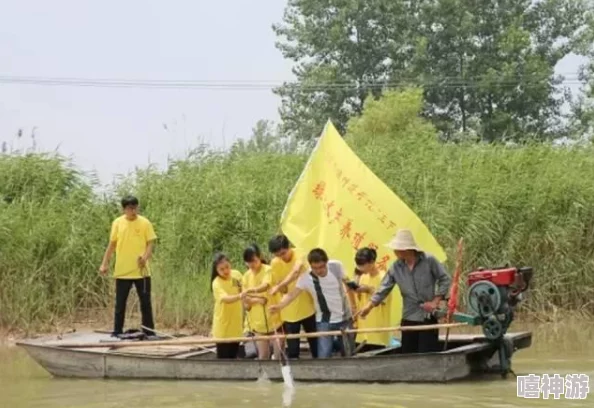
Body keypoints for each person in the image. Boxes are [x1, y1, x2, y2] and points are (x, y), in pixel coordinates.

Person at [357, 229, 451, 354]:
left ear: (405, 249)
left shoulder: (429, 260)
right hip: (409, 316)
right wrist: (368, 307)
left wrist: (436, 301)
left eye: (396, 249)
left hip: (427, 316)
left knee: (427, 353)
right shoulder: (396, 267)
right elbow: (383, 288)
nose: (394, 251)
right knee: (408, 352)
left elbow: (445, 279)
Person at [270, 248, 358, 359]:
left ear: (326, 262)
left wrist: (353, 306)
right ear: (310, 266)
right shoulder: (306, 277)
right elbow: (292, 294)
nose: (319, 271)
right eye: (315, 268)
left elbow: (348, 284)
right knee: (323, 355)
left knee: (348, 353)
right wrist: (279, 306)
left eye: (321, 267)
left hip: (344, 318)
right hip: (324, 321)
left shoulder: (336, 266)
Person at [99, 195, 157, 338]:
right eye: (130, 208)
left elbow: (150, 243)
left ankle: (149, 331)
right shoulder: (117, 223)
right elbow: (112, 245)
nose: (133, 211)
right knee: (120, 304)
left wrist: (145, 257)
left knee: (145, 303)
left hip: (141, 271)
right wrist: (104, 263)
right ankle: (117, 331)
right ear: (124, 209)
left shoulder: (145, 223)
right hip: (123, 271)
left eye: (135, 207)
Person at [267, 234, 318, 359]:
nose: (281, 257)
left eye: (283, 253)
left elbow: (296, 272)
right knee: (293, 350)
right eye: (278, 255)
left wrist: (280, 286)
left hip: (308, 308)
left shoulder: (300, 254)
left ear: (288, 247)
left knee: (315, 344)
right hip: (289, 310)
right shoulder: (275, 263)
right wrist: (280, 287)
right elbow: (283, 289)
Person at [241, 244, 284, 360]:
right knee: (263, 356)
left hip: (275, 321)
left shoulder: (268, 270)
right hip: (258, 324)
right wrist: (258, 300)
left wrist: (250, 292)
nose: (252, 265)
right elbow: (246, 303)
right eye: (248, 262)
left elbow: (265, 286)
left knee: (279, 355)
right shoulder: (245, 276)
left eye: (254, 261)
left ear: (260, 257)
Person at [352, 247, 392, 352]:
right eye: (359, 265)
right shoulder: (363, 277)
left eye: (362, 265)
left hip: (378, 331)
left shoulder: (384, 277)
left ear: (372, 262)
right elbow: (361, 302)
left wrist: (369, 289)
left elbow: (383, 299)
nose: (360, 268)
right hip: (363, 331)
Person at [210, 252, 245, 359]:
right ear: (216, 270)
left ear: (230, 264)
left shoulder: (236, 275)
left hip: (236, 323)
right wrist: (240, 296)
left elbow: (244, 289)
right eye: (221, 269)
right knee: (223, 357)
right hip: (223, 325)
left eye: (227, 267)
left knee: (234, 354)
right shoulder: (217, 283)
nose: (225, 271)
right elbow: (225, 299)